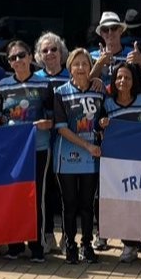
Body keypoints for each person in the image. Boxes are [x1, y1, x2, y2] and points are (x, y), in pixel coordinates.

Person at [0, 40, 55, 263]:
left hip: (38, 147)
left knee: (37, 198)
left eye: (21, 55)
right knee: (13, 196)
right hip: (11, 151)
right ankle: (15, 245)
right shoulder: (2, 85)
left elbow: (53, 119)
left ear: (31, 57)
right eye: (12, 58)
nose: (18, 61)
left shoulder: (44, 84)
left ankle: (37, 246)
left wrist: (45, 123)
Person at [99, 62, 141, 267]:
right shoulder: (108, 105)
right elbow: (98, 130)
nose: (122, 81)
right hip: (120, 167)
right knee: (126, 206)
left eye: (127, 78)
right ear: (113, 82)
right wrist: (102, 125)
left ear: (134, 81)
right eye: (119, 78)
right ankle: (130, 244)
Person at [54, 48, 106, 264]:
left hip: (91, 157)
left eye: (85, 64)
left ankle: (87, 244)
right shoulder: (61, 92)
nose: (81, 68)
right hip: (67, 155)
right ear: (70, 68)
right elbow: (61, 128)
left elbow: (104, 119)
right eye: (76, 64)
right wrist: (86, 145)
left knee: (87, 203)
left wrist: (103, 126)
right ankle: (70, 245)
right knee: (70, 203)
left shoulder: (99, 91)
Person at [34, 32, 70, 252]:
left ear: (62, 53)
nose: (50, 54)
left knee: (67, 192)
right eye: (45, 50)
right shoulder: (34, 79)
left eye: (54, 49)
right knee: (44, 192)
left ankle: (68, 236)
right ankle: (47, 235)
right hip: (43, 144)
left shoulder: (72, 76)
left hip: (68, 143)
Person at [90, 11, 141, 90]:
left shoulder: (133, 55)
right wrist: (99, 64)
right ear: (101, 33)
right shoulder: (93, 56)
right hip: (101, 101)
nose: (110, 32)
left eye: (114, 28)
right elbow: (84, 86)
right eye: (105, 29)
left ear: (121, 30)